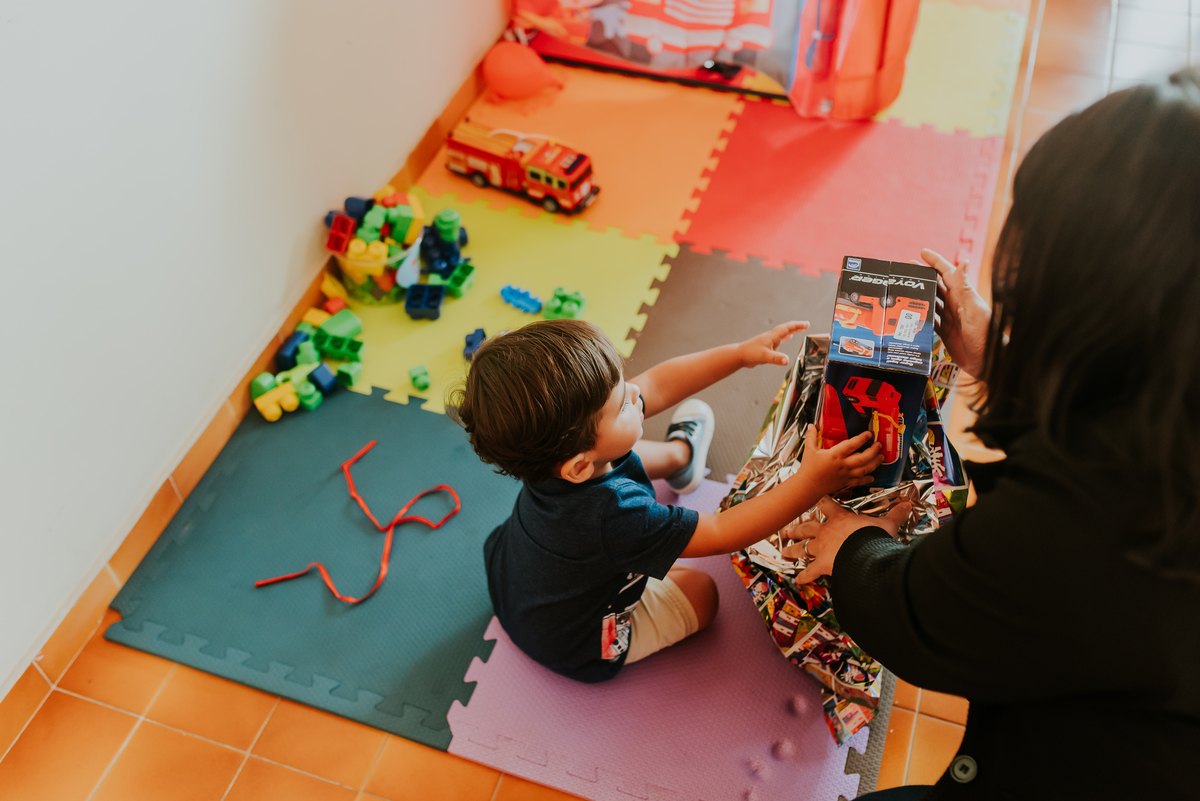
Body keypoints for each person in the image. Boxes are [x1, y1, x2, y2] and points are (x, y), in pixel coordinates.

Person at [792, 69, 1200, 798]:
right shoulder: (1169, 401)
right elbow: (1124, 405)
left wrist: (852, 547)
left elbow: (922, 611)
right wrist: (997, 359)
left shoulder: (1070, 526)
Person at [452, 318, 884, 681]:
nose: (636, 394)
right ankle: (679, 458)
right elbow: (720, 532)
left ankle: (681, 456)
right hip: (579, 644)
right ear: (580, 466)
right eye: (622, 403)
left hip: (514, 584)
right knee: (703, 592)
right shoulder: (619, 517)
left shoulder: (553, 457)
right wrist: (811, 481)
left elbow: (656, 383)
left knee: (623, 452)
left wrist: (738, 352)